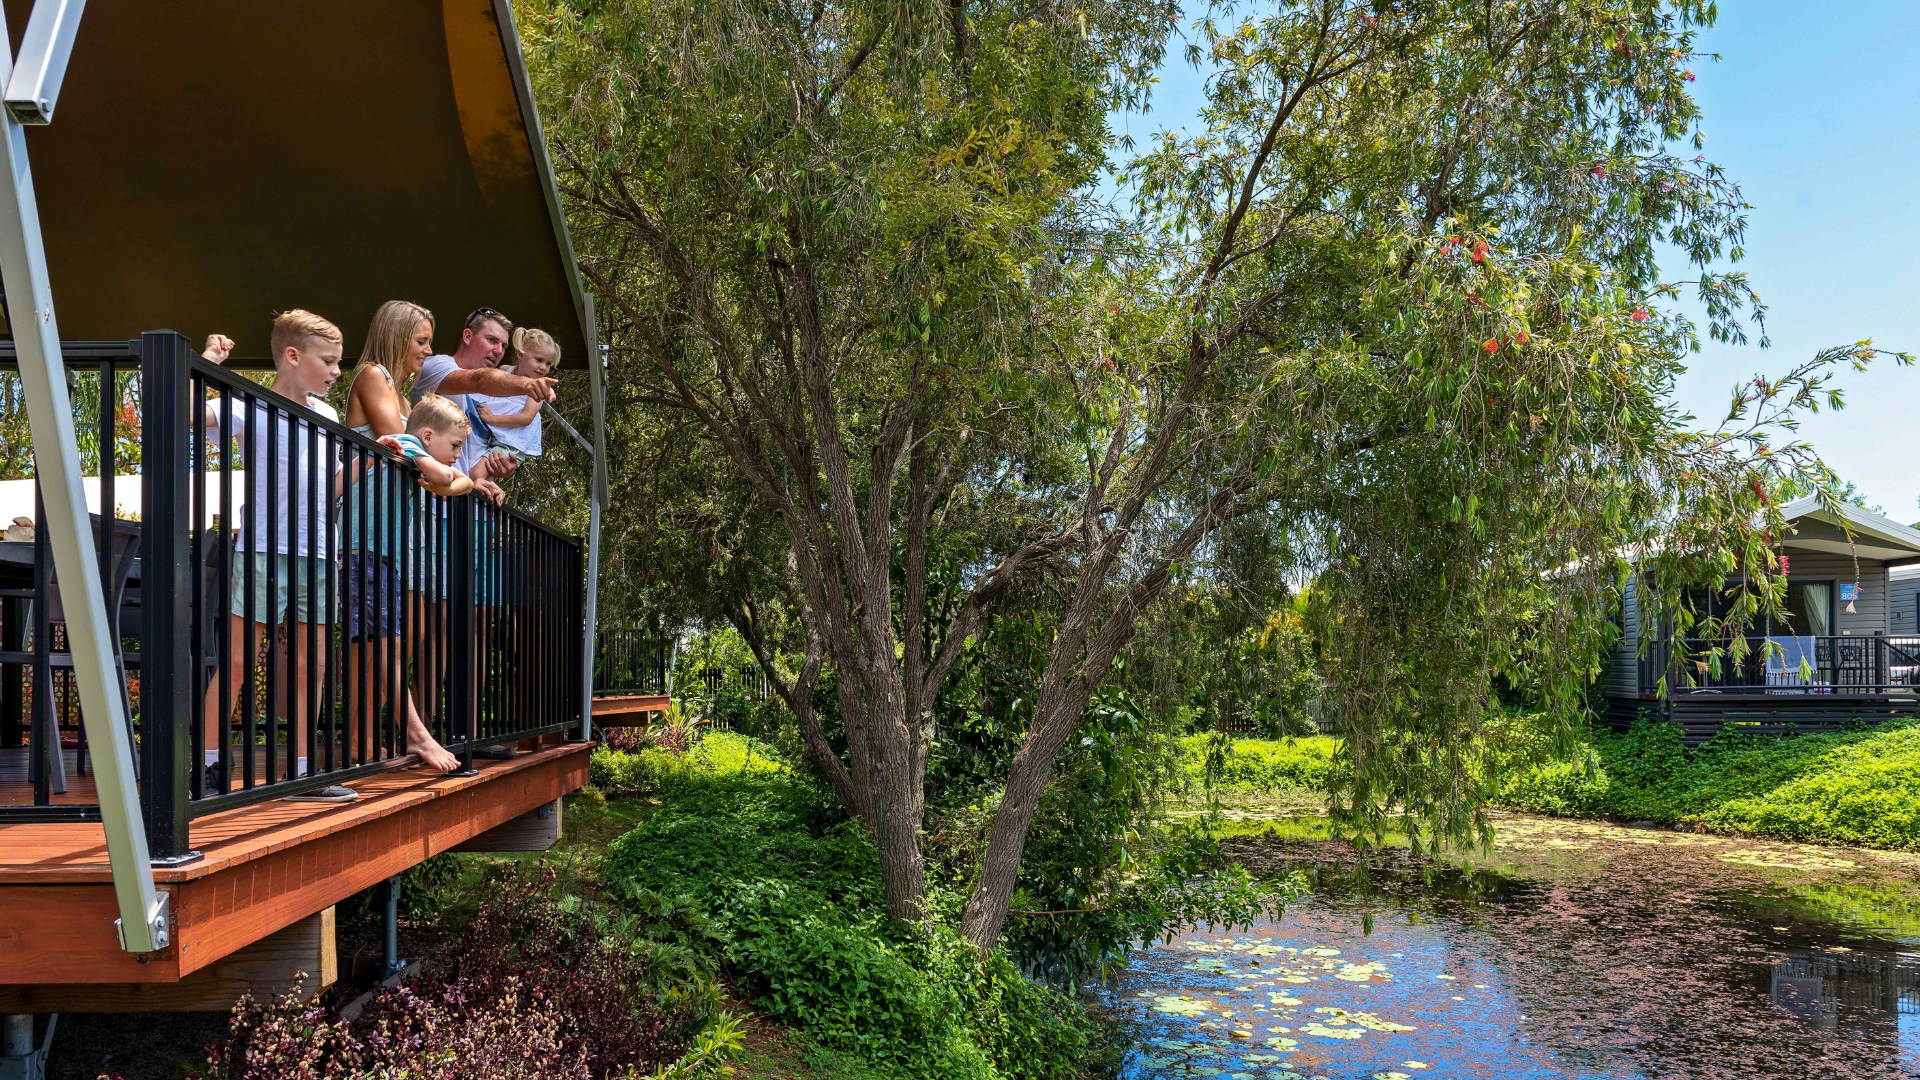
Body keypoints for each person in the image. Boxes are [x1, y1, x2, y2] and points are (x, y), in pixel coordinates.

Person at [198, 311, 354, 801]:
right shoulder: (249, 402)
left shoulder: (327, 417)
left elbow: (327, 491)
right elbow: (186, 414)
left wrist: (363, 461)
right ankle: (208, 766)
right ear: (293, 355)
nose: (335, 371)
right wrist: (207, 363)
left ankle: (305, 772)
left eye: (338, 362)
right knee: (241, 660)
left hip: (320, 554)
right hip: (265, 549)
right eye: (327, 361)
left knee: (313, 666)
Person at [408, 308, 556, 504]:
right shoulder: (437, 367)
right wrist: (527, 384)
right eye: (492, 340)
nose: (498, 351)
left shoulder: (494, 388)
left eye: (503, 346)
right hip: (435, 504)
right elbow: (479, 380)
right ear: (468, 336)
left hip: (476, 505)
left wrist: (504, 467)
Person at [470, 326, 559, 459]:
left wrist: (493, 419)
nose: (543, 367)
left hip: (511, 441)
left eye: (548, 364)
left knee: (478, 472)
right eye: (539, 360)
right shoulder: (505, 371)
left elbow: (526, 418)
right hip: (493, 431)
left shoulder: (537, 389)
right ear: (520, 354)